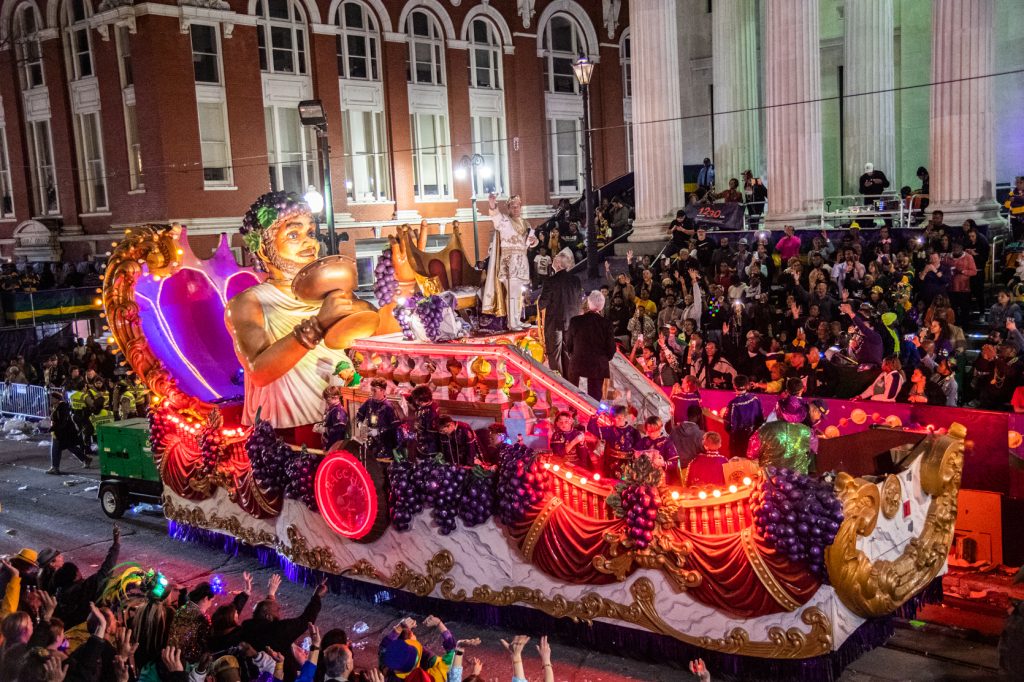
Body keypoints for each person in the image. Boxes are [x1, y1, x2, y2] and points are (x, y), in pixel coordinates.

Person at [226, 192, 379, 439]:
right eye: (294, 235)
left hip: (350, 419)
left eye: (310, 233)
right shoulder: (249, 302)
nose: (310, 243)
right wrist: (319, 325)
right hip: (291, 431)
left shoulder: (331, 295)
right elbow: (259, 371)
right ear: (264, 249)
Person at [482, 193, 539, 331]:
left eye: (517, 206)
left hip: (522, 260)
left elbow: (533, 241)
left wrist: (533, 241)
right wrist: (492, 204)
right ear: (508, 208)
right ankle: (512, 323)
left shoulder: (525, 223)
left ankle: (517, 320)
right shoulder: (505, 221)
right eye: (512, 206)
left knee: (519, 293)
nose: (515, 208)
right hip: (510, 261)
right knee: (512, 293)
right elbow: (495, 217)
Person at [52, 525, 121, 628]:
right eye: (78, 571)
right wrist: (116, 544)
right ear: (75, 576)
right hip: (90, 627)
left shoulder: (60, 595)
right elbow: (106, 570)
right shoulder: (85, 588)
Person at [537, 250, 583, 376]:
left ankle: (558, 381)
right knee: (568, 353)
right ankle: (569, 381)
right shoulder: (576, 281)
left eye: (555, 258)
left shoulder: (551, 281)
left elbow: (542, 304)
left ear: (557, 264)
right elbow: (579, 301)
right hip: (572, 322)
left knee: (554, 354)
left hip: (555, 323)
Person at [565, 291, 616, 400]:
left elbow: (568, 343)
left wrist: (573, 355)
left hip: (578, 365)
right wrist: (603, 358)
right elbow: (611, 348)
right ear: (602, 306)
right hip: (598, 366)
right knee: (594, 400)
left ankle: (573, 416)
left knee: (575, 399)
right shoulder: (606, 323)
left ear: (589, 303)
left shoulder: (575, 321)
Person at [47, 389, 90, 475]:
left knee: (61, 448)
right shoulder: (54, 407)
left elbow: (63, 421)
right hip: (59, 431)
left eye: (52, 398)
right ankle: (85, 459)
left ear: (57, 399)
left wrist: (54, 428)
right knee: (64, 448)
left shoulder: (62, 407)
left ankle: (55, 468)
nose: (50, 399)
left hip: (64, 432)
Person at [356, 378, 401, 459]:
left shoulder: (389, 407)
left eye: (374, 390)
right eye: (371, 389)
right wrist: (360, 424)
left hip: (385, 446)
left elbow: (394, 428)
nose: (372, 392)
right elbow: (359, 415)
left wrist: (379, 431)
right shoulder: (369, 402)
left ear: (383, 391)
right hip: (370, 442)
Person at [723, 375, 764, 459]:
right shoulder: (755, 398)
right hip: (753, 437)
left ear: (734, 385)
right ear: (747, 385)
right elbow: (760, 418)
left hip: (739, 440)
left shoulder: (734, 403)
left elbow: (728, 424)